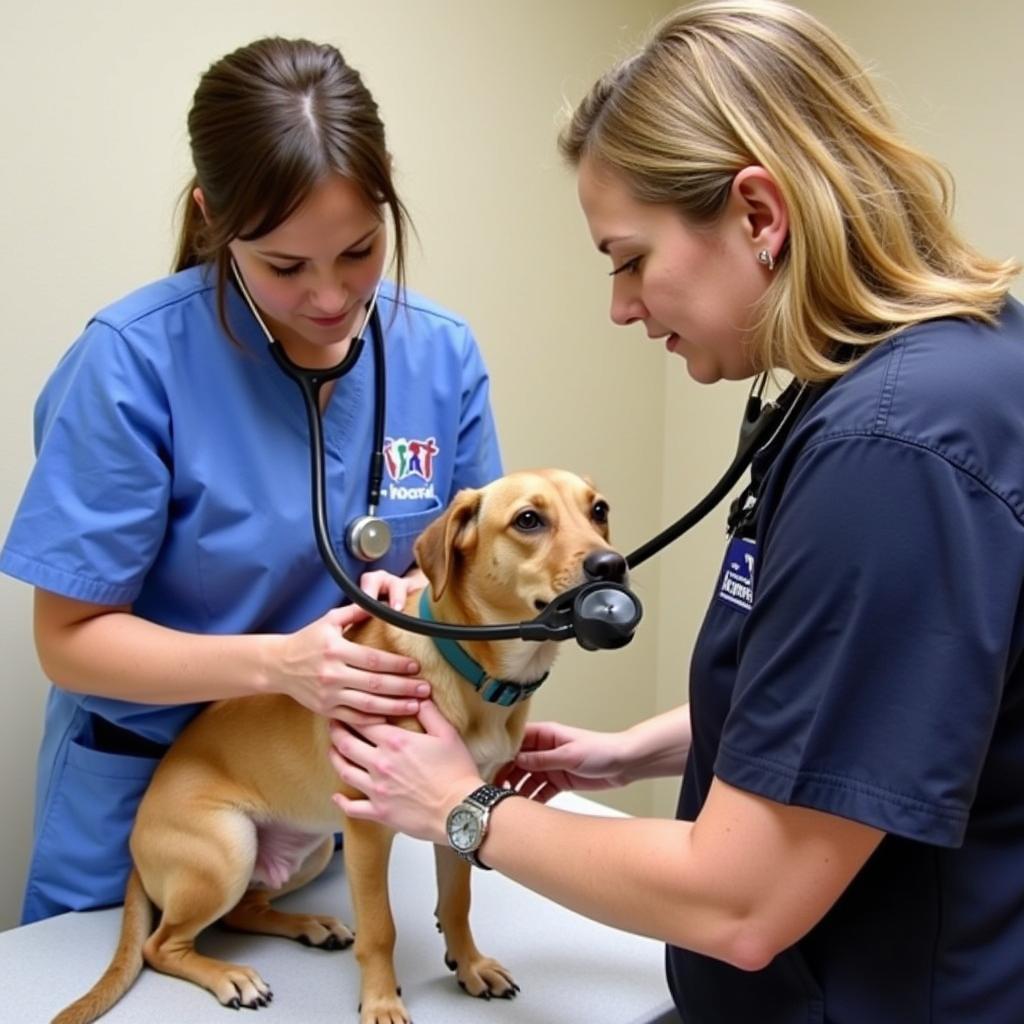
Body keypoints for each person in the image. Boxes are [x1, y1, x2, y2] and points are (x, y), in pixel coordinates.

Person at [326, 2, 1024, 1021]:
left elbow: (740, 899)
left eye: (628, 257)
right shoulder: (951, 370)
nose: (619, 304)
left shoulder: (890, 454)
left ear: (756, 214)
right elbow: (884, 702)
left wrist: (458, 808)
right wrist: (635, 750)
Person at [0, 36, 502, 925]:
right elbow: (69, 640)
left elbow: (466, 574)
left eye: (359, 250)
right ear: (213, 220)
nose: (330, 298)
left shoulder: (439, 353)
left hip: (334, 799)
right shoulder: (130, 365)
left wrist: (421, 588)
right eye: (284, 266)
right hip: (148, 791)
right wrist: (282, 666)